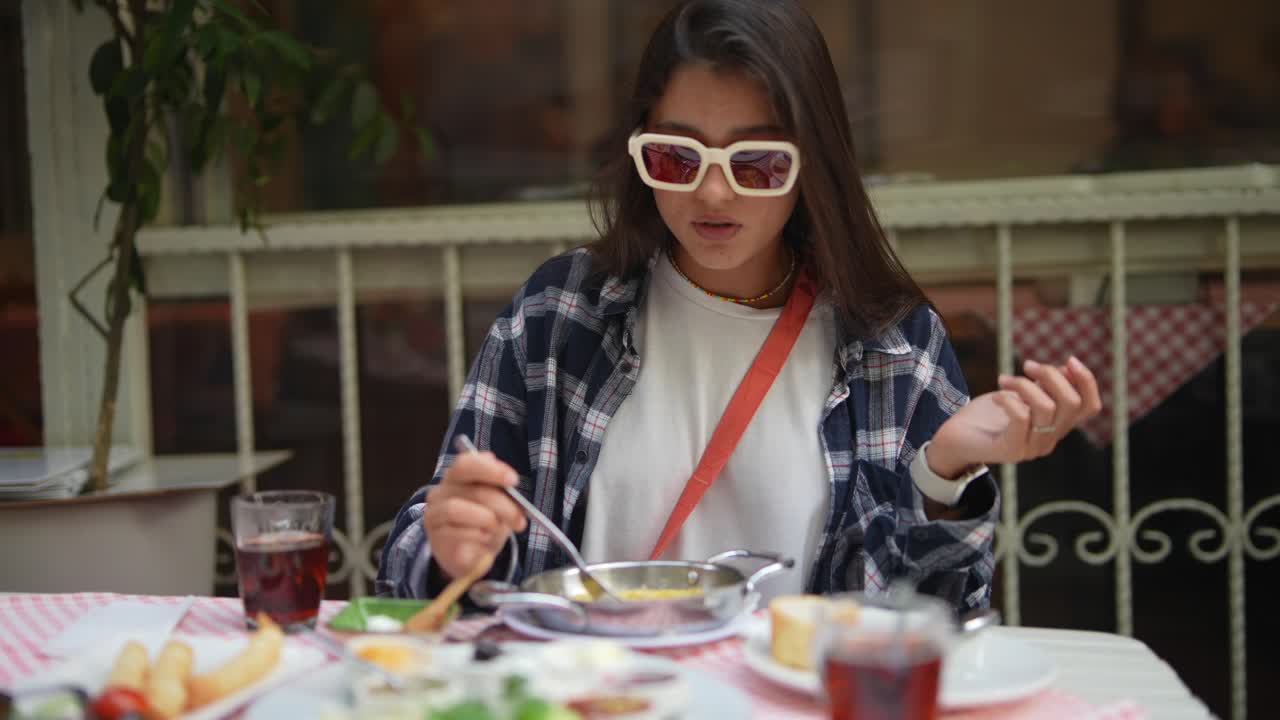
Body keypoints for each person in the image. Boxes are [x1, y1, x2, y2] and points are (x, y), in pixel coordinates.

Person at [377, 0, 1102, 611]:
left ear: (811, 164)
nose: (713, 192)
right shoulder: (559, 315)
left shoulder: (892, 345)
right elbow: (420, 565)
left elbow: (931, 623)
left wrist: (942, 474)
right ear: (639, 152)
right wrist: (450, 549)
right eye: (676, 157)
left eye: (757, 162)